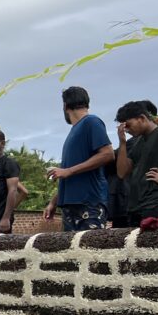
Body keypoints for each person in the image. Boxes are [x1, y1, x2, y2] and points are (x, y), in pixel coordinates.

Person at [44, 86, 114, 231]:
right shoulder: (73, 131)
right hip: (70, 204)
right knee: (73, 253)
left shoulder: (92, 122)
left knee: (91, 251)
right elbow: (68, 174)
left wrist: (68, 170)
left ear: (65, 105)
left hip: (89, 203)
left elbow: (108, 154)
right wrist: (53, 202)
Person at [115, 100, 158, 227]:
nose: (127, 130)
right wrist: (122, 142)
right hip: (135, 209)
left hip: (157, 205)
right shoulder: (138, 142)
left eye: (129, 125)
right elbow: (122, 173)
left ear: (142, 118)